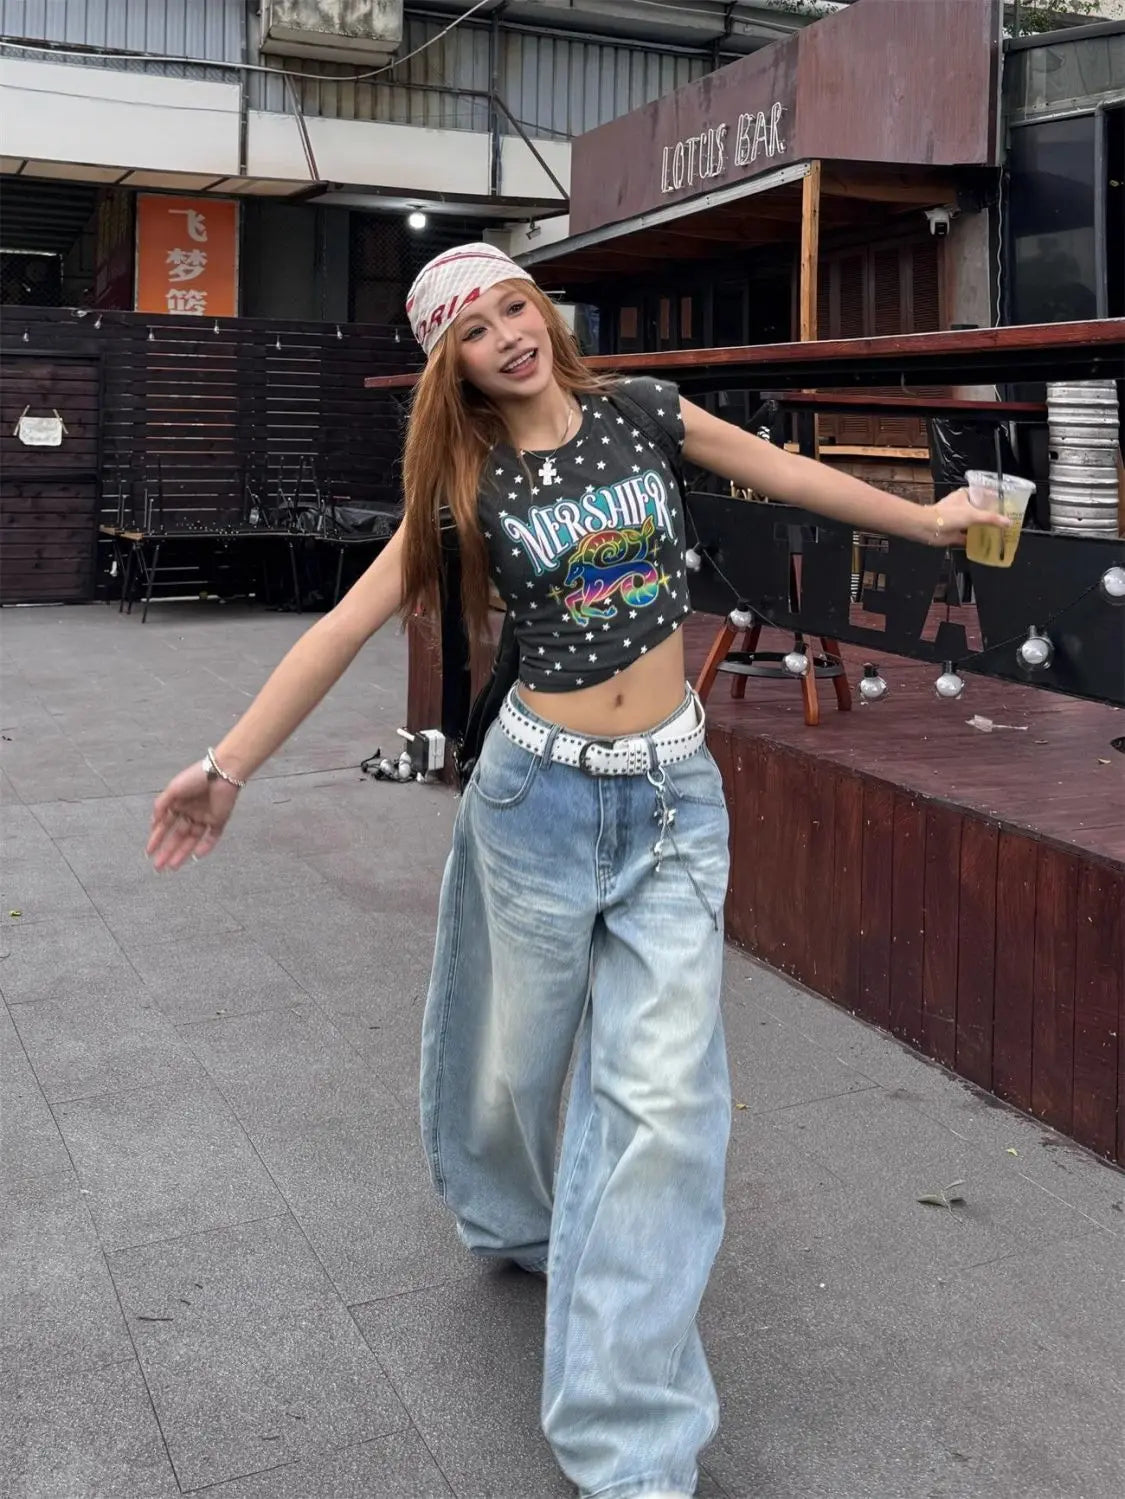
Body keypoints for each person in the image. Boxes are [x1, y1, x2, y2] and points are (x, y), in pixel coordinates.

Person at [147, 244, 1007, 1499]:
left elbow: (780, 469)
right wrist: (225, 765)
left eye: (516, 306)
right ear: (451, 364)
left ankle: (629, 1439)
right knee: (512, 1061)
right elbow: (343, 625)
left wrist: (928, 519)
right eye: (474, 328)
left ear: (541, 312)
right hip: (536, 799)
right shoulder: (463, 484)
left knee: (663, 1109)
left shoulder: (642, 413)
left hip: (672, 797)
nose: (508, 334)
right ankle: (508, 1212)